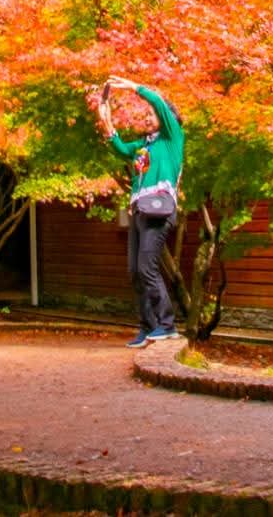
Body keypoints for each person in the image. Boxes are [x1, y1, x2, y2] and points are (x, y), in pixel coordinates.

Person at [98, 75, 184, 349]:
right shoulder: (143, 147)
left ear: (166, 117)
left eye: (152, 114)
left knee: (148, 266)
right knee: (135, 271)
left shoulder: (171, 139)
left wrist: (134, 88)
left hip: (159, 211)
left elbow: (158, 102)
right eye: (145, 114)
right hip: (139, 211)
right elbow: (122, 149)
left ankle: (167, 324)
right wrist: (107, 122)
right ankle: (148, 327)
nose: (147, 117)